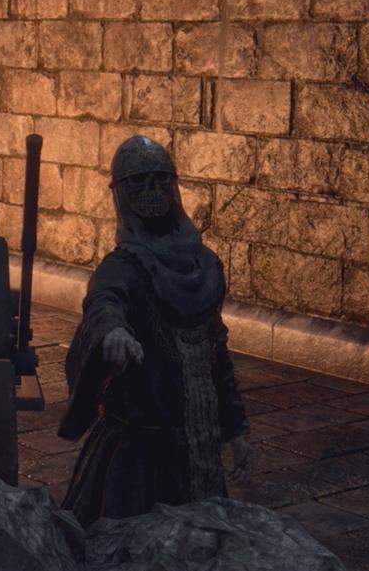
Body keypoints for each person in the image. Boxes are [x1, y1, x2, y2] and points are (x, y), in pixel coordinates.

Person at [58, 135, 252, 526]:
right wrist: (112, 331)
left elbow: (216, 357)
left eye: (161, 179)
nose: (152, 190)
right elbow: (105, 301)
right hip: (140, 454)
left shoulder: (206, 266)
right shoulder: (123, 268)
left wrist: (236, 428)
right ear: (121, 193)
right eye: (138, 181)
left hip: (198, 445)